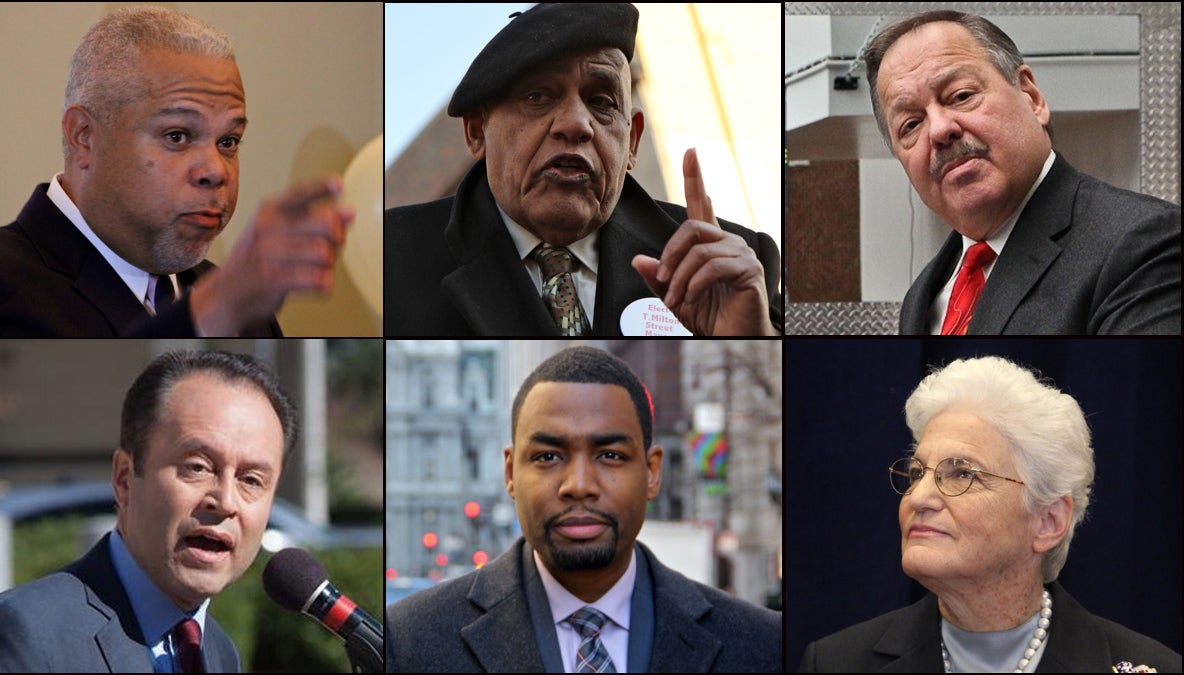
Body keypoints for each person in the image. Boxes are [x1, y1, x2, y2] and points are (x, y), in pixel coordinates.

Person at [384, 3, 782, 336]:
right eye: (538, 96)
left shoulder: (732, 267)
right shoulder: (390, 257)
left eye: (602, 101)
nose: (576, 124)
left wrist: (751, 338)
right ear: (476, 131)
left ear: (633, 141)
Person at [386, 347, 781, 672]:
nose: (578, 485)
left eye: (610, 455)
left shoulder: (761, 645)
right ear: (510, 473)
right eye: (547, 456)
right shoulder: (409, 641)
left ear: (652, 472)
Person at [0, 6, 354, 337]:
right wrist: (213, 311)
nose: (215, 171)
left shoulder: (241, 308)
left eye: (228, 141)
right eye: (177, 136)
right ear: (84, 137)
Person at [799, 356, 1182, 672]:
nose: (919, 497)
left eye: (963, 474)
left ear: (1048, 522)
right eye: (917, 473)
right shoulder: (837, 663)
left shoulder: (1151, 667)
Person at [861, 10, 1181, 335]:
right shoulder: (922, 297)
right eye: (911, 124)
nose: (940, 130)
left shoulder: (1143, 244)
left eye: (961, 96)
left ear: (1031, 96)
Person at [0, 350, 297, 672]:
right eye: (198, 467)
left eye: (251, 480)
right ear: (124, 479)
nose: (226, 501)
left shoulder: (220, 652)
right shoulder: (25, 632)